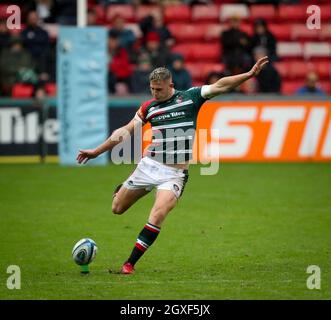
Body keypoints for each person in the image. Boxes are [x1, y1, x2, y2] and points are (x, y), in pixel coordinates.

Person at [76, 56, 269, 274]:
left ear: (171, 85)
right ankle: (123, 188)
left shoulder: (191, 97)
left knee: (157, 214)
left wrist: (249, 75)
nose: (154, 93)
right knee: (117, 208)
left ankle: (129, 264)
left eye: (158, 89)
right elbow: (124, 131)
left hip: (174, 174)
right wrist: (96, 151)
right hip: (148, 166)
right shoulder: (148, 107)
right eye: (151, 89)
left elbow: (220, 85)